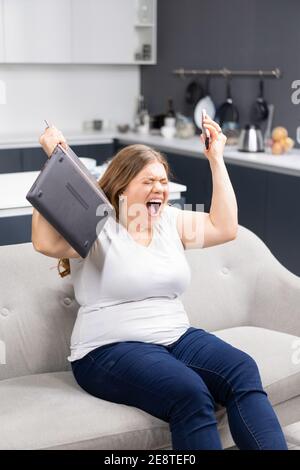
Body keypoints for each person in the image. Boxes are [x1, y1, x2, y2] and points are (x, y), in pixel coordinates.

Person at [35, 116, 288, 450]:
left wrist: (217, 158)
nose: (160, 188)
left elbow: (225, 227)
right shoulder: (97, 225)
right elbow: (44, 242)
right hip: (107, 349)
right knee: (190, 392)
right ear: (123, 187)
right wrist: (55, 162)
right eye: (149, 181)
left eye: (163, 181)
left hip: (176, 337)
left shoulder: (170, 221)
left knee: (241, 370)